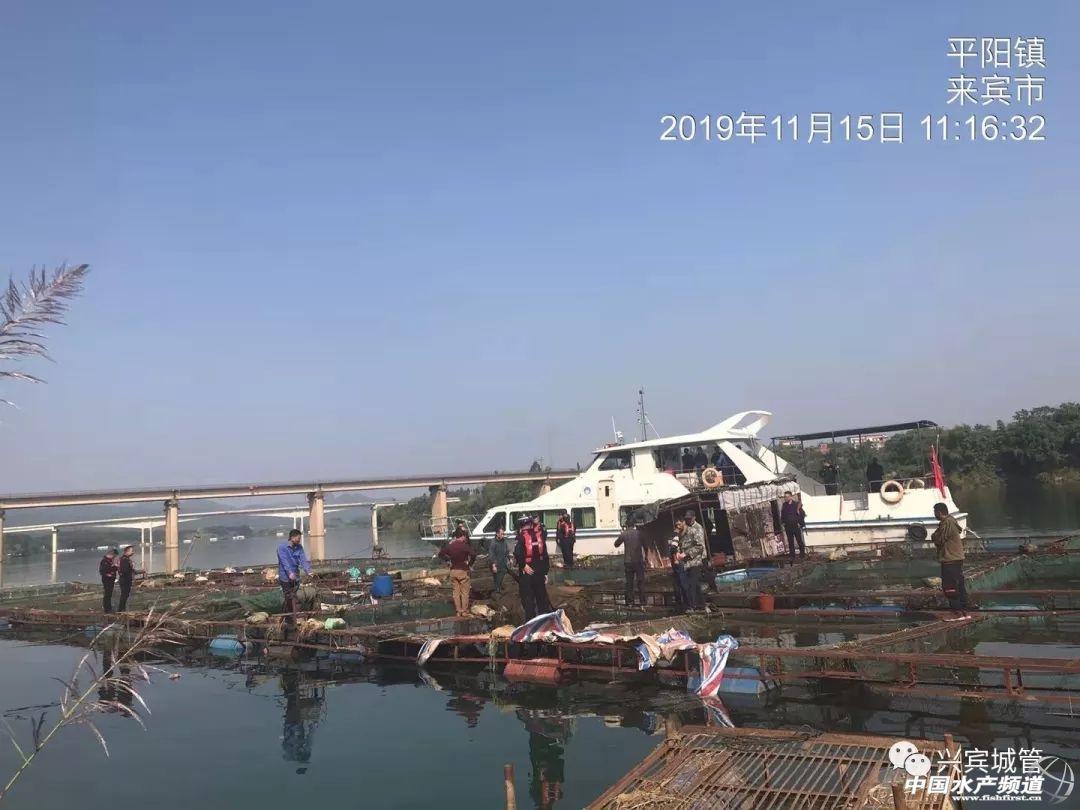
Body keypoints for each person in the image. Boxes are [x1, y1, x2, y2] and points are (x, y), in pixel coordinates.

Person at [932, 502, 970, 621]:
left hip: (950, 559)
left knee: (949, 586)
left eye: (935, 512)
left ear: (939, 512)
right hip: (955, 558)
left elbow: (939, 539)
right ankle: (963, 611)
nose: (934, 514)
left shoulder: (947, 523)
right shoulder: (950, 521)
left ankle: (957, 613)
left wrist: (934, 535)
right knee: (958, 585)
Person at [514, 516, 552, 620]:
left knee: (528, 599)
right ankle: (544, 620)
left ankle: (531, 621)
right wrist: (545, 572)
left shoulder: (521, 537)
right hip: (540, 571)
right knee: (542, 598)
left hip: (527, 572)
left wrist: (523, 565)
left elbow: (517, 553)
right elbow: (545, 555)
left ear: (521, 526)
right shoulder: (539, 536)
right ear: (531, 524)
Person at [438, 526, 477, 617]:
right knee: (465, 592)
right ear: (462, 536)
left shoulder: (450, 546)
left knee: (456, 592)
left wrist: (448, 560)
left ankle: (458, 611)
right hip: (463, 570)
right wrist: (470, 564)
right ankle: (464, 611)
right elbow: (474, 554)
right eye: (464, 536)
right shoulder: (464, 546)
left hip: (453, 570)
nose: (465, 538)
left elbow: (440, 554)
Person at [277, 529, 312, 627]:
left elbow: (303, 560)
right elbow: (284, 562)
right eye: (298, 538)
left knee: (293, 596)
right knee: (290, 597)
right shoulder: (281, 548)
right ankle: (291, 619)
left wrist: (308, 571)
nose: (299, 540)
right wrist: (289, 573)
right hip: (285, 577)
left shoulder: (299, 547)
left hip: (295, 577)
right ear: (292, 537)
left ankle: (287, 617)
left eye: (300, 538)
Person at [678, 511, 708, 611]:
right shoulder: (686, 528)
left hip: (696, 560)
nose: (688, 520)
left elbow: (700, 546)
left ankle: (692, 606)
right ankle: (701, 605)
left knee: (691, 584)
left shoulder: (697, 528)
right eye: (686, 519)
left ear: (694, 518)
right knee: (695, 584)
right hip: (688, 561)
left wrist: (686, 553)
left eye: (690, 518)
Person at [614, 519, 646, 609]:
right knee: (640, 582)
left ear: (626, 526)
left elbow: (616, 544)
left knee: (629, 583)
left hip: (628, 561)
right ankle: (642, 603)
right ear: (634, 525)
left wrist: (621, 535)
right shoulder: (639, 533)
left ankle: (630, 603)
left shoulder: (624, 534)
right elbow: (645, 546)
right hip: (639, 561)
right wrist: (646, 557)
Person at [669, 521, 691, 610]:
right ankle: (686, 604)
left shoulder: (675, 535)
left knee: (678, 583)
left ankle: (680, 604)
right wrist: (675, 559)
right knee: (682, 583)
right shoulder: (676, 536)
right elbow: (673, 549)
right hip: (679, 562)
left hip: (677, 563)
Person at [117, 545, 143, 612]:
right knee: (124, 595)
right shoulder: (124, 560)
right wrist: (133, 572)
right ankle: (120, 610)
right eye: (132, 551)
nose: (133, 552)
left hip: (126, 579)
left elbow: (129, 569)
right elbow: (125, 570)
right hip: (125, 579)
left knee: (125, 595)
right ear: (127, 552)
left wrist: (136, 572)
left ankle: (122, 609)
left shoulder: (125, 559)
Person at [780, 492, 806, 558]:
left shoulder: (796, 504)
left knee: (799, 540)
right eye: (785, 497)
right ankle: (792, 555)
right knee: (790, 541)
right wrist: (783, 522)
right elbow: (783, 514)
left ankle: (802, 554)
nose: (786, 498)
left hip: (796, 525)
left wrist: (800, 523)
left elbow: (802, 514)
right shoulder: (784, 505)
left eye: (787, 496)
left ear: (791, 497)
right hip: (788, 526)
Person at [489, 527, 511, 591]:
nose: (503, 535)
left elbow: (507, 551)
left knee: (502, 574)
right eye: (501, 534)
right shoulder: (493, 542)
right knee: (496, 578)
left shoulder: (504, 541)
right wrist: (493, 565)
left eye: (503, 534)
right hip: (495, 563)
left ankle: (498, 588)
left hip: (503, 563)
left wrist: (510, 559)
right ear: (497, 534)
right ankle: (497, 590)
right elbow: (491, 554)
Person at [99, 548, 118, 614]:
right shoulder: (104, 561)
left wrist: (115, 567)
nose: (114, 557)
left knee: (109, 594)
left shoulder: (110, 561)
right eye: (114, 556)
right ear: (111, 554)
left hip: (111, 579)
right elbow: (103, 571)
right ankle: (107, 609)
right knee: (107, 594)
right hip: (107, 580)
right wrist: (113, 568)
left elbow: (112, 569)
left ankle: (109, 608)